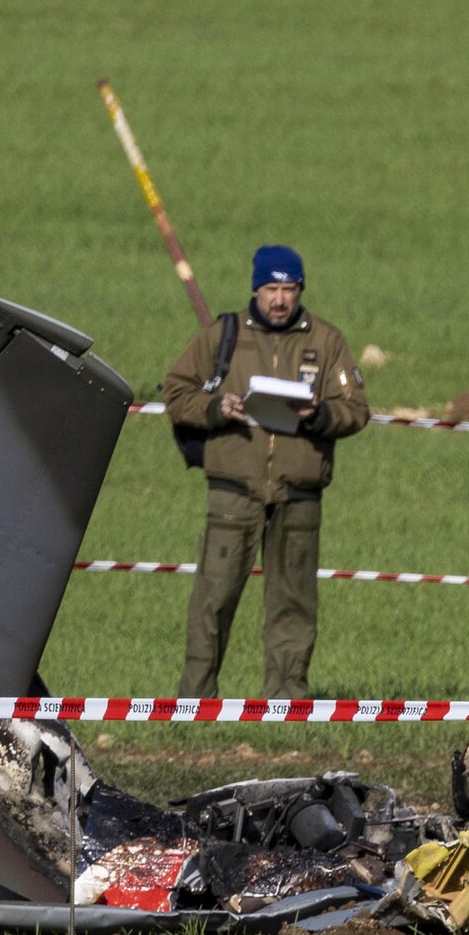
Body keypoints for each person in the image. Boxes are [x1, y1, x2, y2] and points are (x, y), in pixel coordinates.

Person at [162, 245, 369, 699]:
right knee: (213, 599)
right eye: (271, 289)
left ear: (300, 290)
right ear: (256, 289)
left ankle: (286, 703)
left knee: (294, 605)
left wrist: (319, 415)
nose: (279, 299)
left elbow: (356, 409)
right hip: (233, 492)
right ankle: (194, 702)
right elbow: (176, 392)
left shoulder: (327, 342)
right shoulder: (222, 336)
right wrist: (216, 408)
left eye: (289, 289)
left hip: (300, 495)